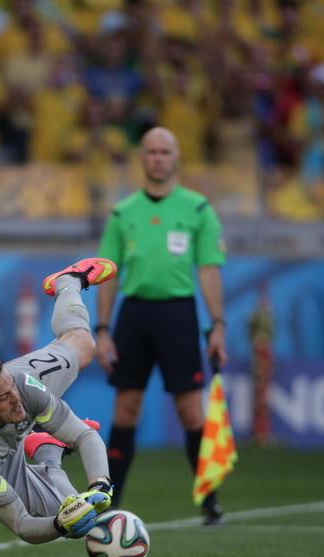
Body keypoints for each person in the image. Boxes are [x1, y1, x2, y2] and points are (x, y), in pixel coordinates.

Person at [0, 258, 118, 543]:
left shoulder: (20, 385)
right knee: (69, 510)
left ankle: (67, 281)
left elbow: (83, 435)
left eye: (11, 389)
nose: (17, 401)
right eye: (4, 398)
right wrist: (59, 524)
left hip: (3, 399)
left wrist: (100, 486)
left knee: (82, 344)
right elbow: (22, 524)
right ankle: (47, 451)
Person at [94, 127, 228, 526]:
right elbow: (108, 274)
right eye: (151, 151)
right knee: (126, 407)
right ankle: (110, 500)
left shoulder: (198, 210)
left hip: (178, 314)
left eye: (164, 152)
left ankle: (209, 500)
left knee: (191, 410)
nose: (157, 158)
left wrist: (217, 324)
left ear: (176, 157)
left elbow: (208, 270)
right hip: (134, 314)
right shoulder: (122, 213)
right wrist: (102, 329)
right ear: (141, 158)